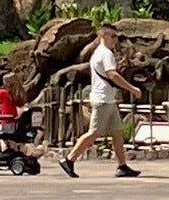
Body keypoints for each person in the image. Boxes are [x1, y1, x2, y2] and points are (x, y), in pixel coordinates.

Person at [59, 23, 142, 179]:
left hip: (108, 99)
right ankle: (69, 159)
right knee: (94, 133)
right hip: (103, 99)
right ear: (103, 35)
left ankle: (122, 166)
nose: (115, 40)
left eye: (116, 36)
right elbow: (112, 75)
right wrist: (132, 88)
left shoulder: (99, 53)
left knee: (117, 132)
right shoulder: (105, 53)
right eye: (113, 36)